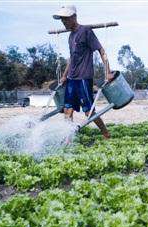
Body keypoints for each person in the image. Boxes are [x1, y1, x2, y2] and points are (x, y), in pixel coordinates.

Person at [53, 5, 113, 139]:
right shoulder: (70, 36)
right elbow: (72, 58)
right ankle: (68, 138)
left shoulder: (86, 31)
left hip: (84, 78)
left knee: (89, 112)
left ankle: (105, 133)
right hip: (71, 79)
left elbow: (101, 51)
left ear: (74, 17)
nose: (64, 22)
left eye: (66, 19)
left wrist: (108, 71)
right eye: (62, 20)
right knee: (67, 110)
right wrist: (64, 76)